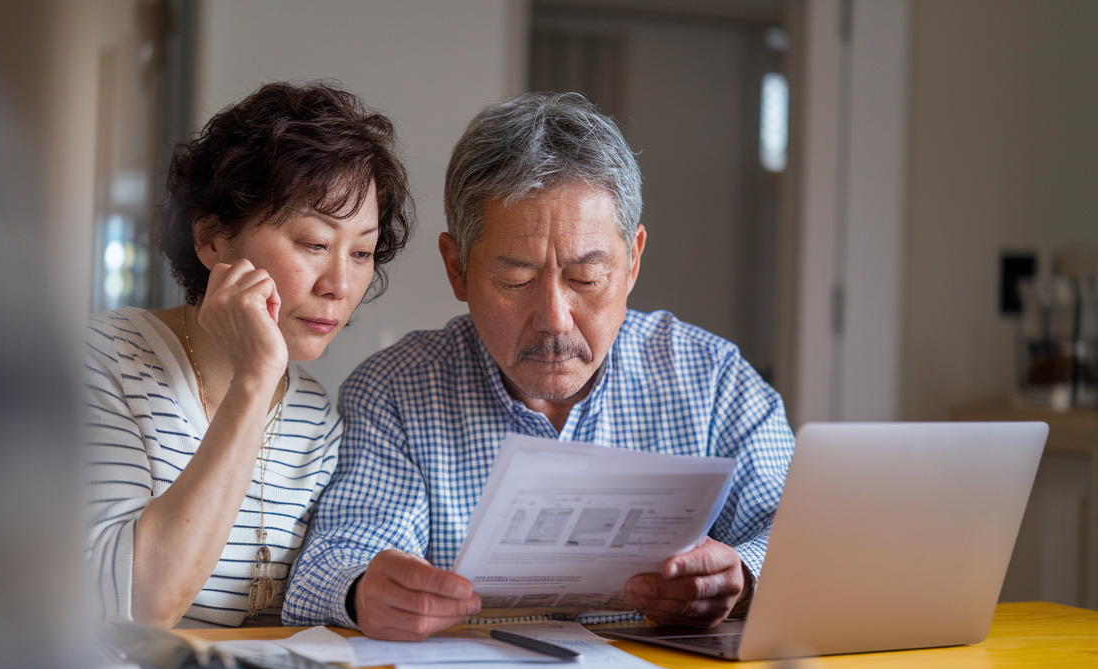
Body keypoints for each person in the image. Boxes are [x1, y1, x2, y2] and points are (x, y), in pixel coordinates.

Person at [284, 92, 795, 640]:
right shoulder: (397, 390)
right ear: (457, 269)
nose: (555, 319)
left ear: (632, 262)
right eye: (516, 280)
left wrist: (742, 577)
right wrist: (363, 591)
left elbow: (803, 534)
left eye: (586, 279)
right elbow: (338, 557)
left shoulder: (712, 379)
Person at [86, 82, 413, 628]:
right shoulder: (101, 360)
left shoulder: (316, 419)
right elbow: (138, 606)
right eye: (314, 243)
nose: (339, 284)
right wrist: (255, 379)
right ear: (213, 239)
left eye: (361, 252)